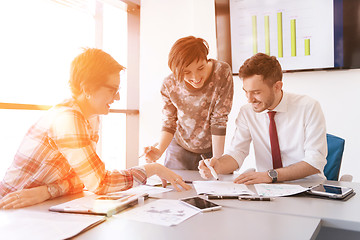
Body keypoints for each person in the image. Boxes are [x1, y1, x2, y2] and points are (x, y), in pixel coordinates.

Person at [0, 48, 190, 209]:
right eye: (112, 90)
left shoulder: (90, 118)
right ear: (87, 88)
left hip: (39, 207)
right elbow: (100, 183)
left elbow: (82, 179)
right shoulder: (68, 119)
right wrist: (152, 168)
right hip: (11, 207)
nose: (117, 98)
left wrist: (48, 190)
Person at [199, 53, 327, 184]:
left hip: (307, 188)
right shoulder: (247, 112)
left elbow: (315, 161)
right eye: (246, 92)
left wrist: (271, 175)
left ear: (277, 87)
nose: (249, 99)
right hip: (267, 190)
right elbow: (237, 152)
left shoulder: (308, 107)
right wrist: (219, 166)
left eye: (256, 92)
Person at [143, 36, 233, 170]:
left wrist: (217, 161)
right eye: (186, 72)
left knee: (213, 187)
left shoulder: (222, 72)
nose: (195, 77)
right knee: (175, 188)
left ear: (206, 59)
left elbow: (219, 119)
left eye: (201, 68)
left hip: (211, 147)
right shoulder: (169, 84)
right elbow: (169, 122)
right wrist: (159, 151)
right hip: (179, 148)